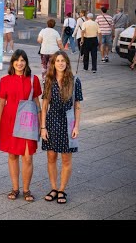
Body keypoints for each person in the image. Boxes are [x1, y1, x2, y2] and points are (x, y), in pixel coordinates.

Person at [0, 49, 42, 202]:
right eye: (17, 60)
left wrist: (42, 124)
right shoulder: (5, 80)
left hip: (28, 121)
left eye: (23, 60)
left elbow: (37, 102)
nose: (20, 63)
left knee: (28, 157)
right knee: (12, 155)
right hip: (9, 120)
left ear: (26, 62)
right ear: (13, 62)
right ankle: (15, 188)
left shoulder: (33, 79)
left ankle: (27, 189)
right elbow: (1, 103)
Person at [41, 51, 82, 204]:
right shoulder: (48, 80)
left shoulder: (75, 80)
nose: (60, 63)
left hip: (68, 120)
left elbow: (77, 106)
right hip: (51, 121)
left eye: (63, 60)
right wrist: (43, 127)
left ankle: (62, 190)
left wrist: (76, 126)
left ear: (67, 63)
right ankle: (53, 188)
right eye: (57, 60)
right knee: (51, 157)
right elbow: (44, 106)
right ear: (53, 63)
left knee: (66, 158)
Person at [37, 19, 64, 83]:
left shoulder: (43, 31)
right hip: (53, 52)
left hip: (44, 51)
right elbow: (59, 43)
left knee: (44, 65)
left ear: (47, 24)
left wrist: (44, 42)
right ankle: (50, 78)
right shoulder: (56, 32)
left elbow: (39, 40)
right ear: (54, 25)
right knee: (51, 66)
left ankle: (44, 79)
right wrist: (62, 49)